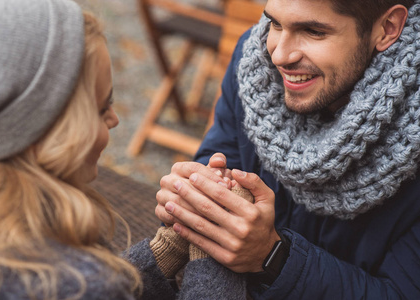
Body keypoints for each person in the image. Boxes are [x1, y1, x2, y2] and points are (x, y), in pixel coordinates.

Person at [0, 0, 246, 299]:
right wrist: (217, 246)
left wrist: (167, 248)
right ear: (51, 132)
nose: (115, 120)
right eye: (102, 109)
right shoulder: (72, 283)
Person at [155, 0, 420, 299]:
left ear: (387, 28)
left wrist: (273, 258)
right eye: (275, 23)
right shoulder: (253, 63)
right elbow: (219, 152)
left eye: (313, 31)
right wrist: (196, 195)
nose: (279, 54)